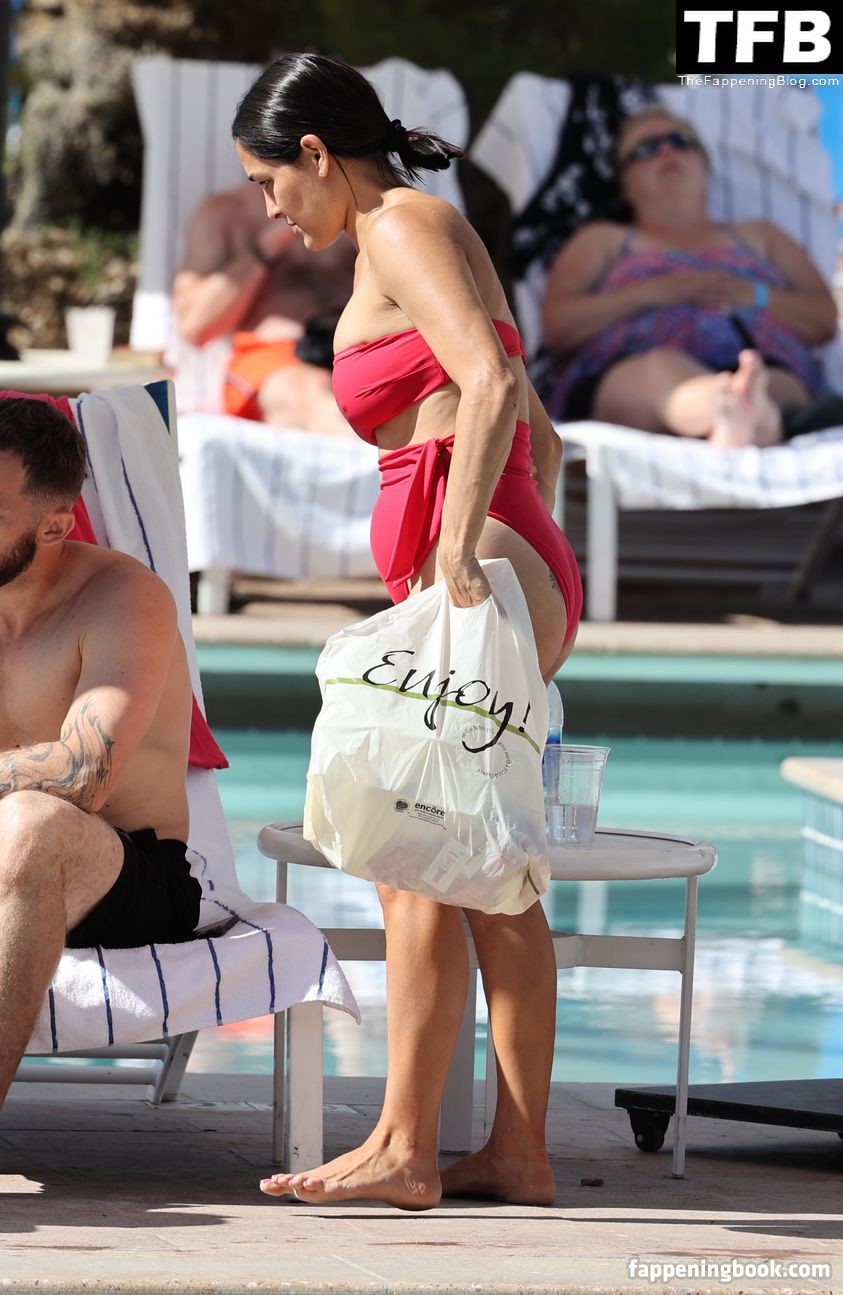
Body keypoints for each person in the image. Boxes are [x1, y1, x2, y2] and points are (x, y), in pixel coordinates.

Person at [231, 51, 584, 1211]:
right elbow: (542, 431)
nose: (269, 208)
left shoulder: (399, 228)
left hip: (475, 560)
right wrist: (513, 548)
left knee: (411, 847)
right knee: (483, 865)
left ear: (316, 154)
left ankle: (403, 1147)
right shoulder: (429, 227)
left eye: (268, 181)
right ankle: (516, 1151)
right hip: (507, 558)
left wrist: (460, 547)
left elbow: (488, 385)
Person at [0, 397, 199, 1110]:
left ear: (54, 526)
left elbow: (83, 776)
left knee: (32, 824)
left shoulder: (124, 598)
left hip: (129, 870)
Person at [539, 106, 839, 448]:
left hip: (762, 363)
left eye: (681, 141)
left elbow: (823, 320)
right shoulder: (604, 240)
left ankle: (741, 415)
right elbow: (558, 327)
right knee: (659, 372)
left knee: (774, 381)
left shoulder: (761, 236)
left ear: (704, 167)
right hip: (637, 371)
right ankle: (740, 412)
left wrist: (752, 295)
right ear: (625, 184)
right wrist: (649, 293)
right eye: (646, 148)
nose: (667, 151)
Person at [172, 179, 355, 432]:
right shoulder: (227, 213)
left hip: (356, 344)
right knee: (304, 394)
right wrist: (269, 244)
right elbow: (195, 327)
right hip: (271, 356)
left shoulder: (362, 202)